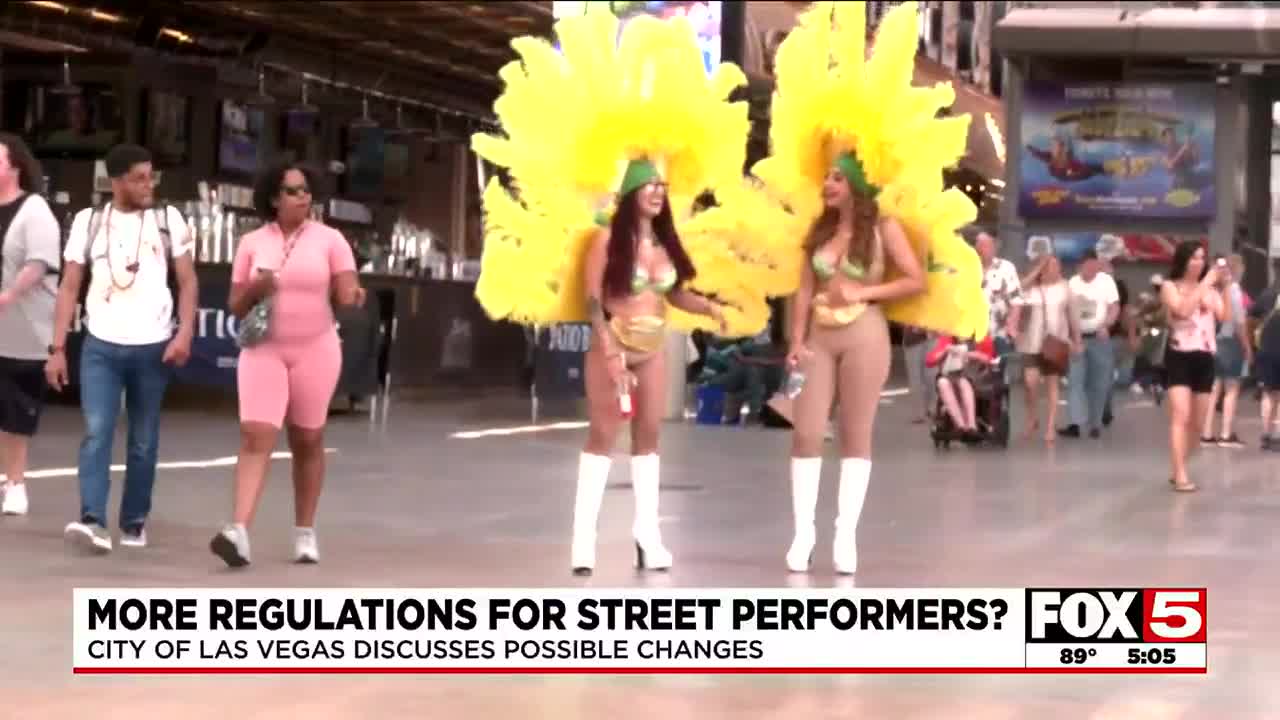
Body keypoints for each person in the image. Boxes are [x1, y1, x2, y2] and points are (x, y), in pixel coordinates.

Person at [469, 12, 796, 576]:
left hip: (654, 346)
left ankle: (648, 535)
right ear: (630, 194)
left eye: (665, 189)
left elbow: (677, 298)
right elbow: (594, 300)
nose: (658, 196)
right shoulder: (603, 240)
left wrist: (713, 309)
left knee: (649, 442)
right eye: (650, 188)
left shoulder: (667, 245)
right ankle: (582, 540)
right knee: (602, 435)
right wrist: (612, 353)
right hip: (614, 343)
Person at [754, 2, 985, 575]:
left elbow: (914, 278)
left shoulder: (882, 227)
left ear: (855, 184)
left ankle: (844, 537)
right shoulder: (819, 227)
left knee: (856, 433)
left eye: (836, 177)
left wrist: (863, 295)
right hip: (818, 343)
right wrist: (796, 338)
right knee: (806, 432)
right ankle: (802, 533)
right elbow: (803, 287)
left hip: (865, 337)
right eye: (827, 175)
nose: (826, 183)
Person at [209, 161, 366, 568]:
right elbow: (236, 305)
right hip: (264, 349)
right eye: (293, 191)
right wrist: (257, 288)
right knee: (255, 434)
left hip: (316, 348)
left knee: (308, 439)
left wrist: (352, 293)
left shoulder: (331, 240)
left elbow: (346, 288)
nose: (303, 197)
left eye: (306, 189)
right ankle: (239, 532)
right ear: (274, 199)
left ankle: (305, 531)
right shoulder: (251, 242)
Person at [47, 144, 198, 553]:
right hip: (100, 344)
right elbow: (70, 285)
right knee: (97, 432)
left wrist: (184, 333)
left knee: (144, 438)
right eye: (139, 178)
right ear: (116, 181)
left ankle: (134, 520)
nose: (148, 185)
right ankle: (93, 519)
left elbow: (186, 281)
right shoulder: (89, 222)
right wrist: (57, 346)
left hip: (153, 347)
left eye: (151, 177)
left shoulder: (169, 221)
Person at [0, 134, 61, 516]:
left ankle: (16, 484)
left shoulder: (34, 209)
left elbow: (38, 263)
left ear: (14, 165)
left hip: (23, 327)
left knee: (15, 410)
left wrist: (7, 296)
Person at [1160, 241, 1228, 492]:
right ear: (1183, 260)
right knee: (1181, 414)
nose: (1199, 262)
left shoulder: (1209, 289)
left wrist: (1226, 286)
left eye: (1202, 258)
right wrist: (1206, 282)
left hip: (1205, 356)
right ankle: (1180, 474)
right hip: (1179, 354)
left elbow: (1224, 316)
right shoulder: (1170, 286)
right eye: (1194, 258)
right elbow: (1182, 310)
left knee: (1198, 425)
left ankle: (1178, 465)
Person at [1016, 255, 1079, 445]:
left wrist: (1076, 340)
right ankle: (1032, 417)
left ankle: (1051, 426)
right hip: (1030, 342)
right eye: (1050, 265)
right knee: (1030, 382)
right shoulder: (1030, 288)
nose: (1055, 269)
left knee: (1053, 384)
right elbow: (1017, 289)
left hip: (1055, 342)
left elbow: (1073, 315)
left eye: (1057, 265)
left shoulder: (1065, 288)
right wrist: (1037, 271)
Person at [1061, 250, 1119, 439]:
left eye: (1094, 265)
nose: (1091, 269)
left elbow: (1114, 307)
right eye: (1087, 266)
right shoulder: (1072, 283)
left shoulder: (1106, 282)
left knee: (1099, 383)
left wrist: (1107, 324)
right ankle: (1075, 423)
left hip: (1099, 339)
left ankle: (1095, 423)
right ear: (1080, 266)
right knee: (1075, 381)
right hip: (1078, 339)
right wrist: (1073, 338)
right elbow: (1068, 312)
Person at [1202, 253, 1250, 448]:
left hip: (1213, 342)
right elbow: (1238, 323)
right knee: (1231, 389)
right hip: (1230, 343)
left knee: (1213, 389)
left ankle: (1206, 433)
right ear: (1237, 269)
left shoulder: (1212, 289)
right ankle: (1225, 434)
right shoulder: (1235, 291)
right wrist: (1247, 346)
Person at [925, 333, 996, 436]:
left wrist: (974, 355)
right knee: (942, 382)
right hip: (950, 376)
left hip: (972, 377)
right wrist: (945, 351)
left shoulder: (982, 338)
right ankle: (961, 426)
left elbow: (992, 359)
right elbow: (929, 361)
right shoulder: (948, 337)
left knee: (963, 382)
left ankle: (971, 425)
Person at [975, 231, 1023, 381]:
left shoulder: (1006, 268)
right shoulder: (968, 268)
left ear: (995, 246)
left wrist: (1012, 327)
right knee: (975, 379)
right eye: (978, 244)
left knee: (997, 378)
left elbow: (1016, 301)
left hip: (1000, 334)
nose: (980, 248)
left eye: (985, 244)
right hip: (973, 335)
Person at [1248, 267, 1280, 450]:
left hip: (1266, 351)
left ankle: (1266, 433)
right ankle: (1277, 434)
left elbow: (1249, 319)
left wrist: (1251, 343)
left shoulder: (1266, 296)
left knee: (1268, 393)